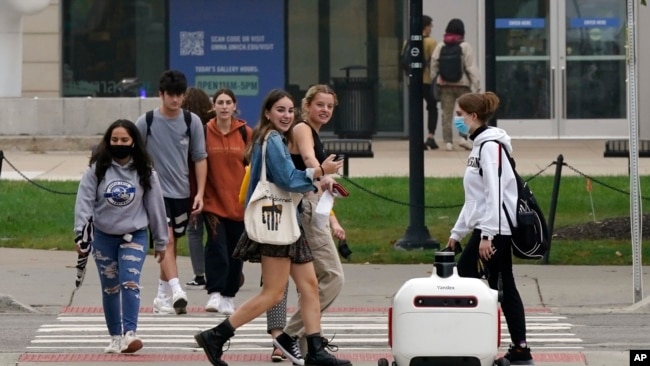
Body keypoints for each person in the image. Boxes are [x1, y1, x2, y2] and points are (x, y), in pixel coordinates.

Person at [194, 89, 350, 366]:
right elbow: (288, 179)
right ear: (267, 113)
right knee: (273, 293)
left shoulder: (273, 138)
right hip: (277, 222)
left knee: (311, 285)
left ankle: (315, 350)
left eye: (290, 111)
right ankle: (216, 335)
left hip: (288, 221)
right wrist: (320, 171)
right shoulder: (272, 139)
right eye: (280, 110)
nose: (287, 115)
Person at [445, 91, 533, 364]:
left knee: (495, 283)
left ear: (473, 116)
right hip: (488, 228)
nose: (456, 120)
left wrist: (487, 236)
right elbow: (476, 199)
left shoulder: (491, 147)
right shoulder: (479, 146)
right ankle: (513, 347)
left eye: (459, 115)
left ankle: (517, 349)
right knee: (490, 282)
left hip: (497, 231)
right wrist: (456, 233)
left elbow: (494, 195)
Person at [74, 119, 168, 354]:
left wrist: (160, 240)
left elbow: (156, 207)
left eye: (124, 140)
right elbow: (84, 204)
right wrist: (81, 236)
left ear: (133, 141)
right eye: (114, 140)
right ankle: (115, 337)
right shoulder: (97, 170)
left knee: (129, 282)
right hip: (103, 237)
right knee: (110, 288)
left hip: (134, 235)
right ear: (108, 142)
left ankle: (129, 334)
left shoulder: (145, 171)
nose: (119, 144)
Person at [268, 84, 347, 362]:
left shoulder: (313, 131)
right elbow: (309, 157)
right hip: (306, 209)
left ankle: (303, 344)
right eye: (320, 105)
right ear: (308, 105)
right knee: (333, 277)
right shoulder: (303, 129)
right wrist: (323, 173)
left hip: (312, 207)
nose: (325, 110)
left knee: (311, 283)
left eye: (329, 106)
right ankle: (289, 336)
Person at [135, 70, 208, 315]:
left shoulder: (192, 121)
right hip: (154, 192)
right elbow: (133, 155)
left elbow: (199, 158)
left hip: (182, 192)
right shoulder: (147, 121)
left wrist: (200, 193)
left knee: (171, 243)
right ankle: (177, 290)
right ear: (161, 94)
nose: (175, 100)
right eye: (170, 95)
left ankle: (161, 297)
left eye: (179, 95)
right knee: (164, 238)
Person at [202, 88, 252, 314]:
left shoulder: (245, 133)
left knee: (235, 252)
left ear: (234, 106)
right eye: (220, 102)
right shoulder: (204, 132)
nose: (224, 106)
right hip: (213, 202)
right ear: (213, 106)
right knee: (216, 247)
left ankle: (228, 296)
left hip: (239, 203)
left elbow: (253, 166)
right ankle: (214, 293)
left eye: (228, 102)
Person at [181, 87, 216, 289]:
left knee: (194, 232)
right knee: (215, 233)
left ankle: (199, 274)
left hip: (191, 186)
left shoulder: (186, 128)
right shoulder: (213, 128)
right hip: (213, 187)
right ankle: (218, 269)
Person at [430, 18, 480, 151]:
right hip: (463, 85)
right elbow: (471, 67)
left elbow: (434, 64)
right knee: (463, 113)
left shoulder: (441, 46)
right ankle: (463, 138)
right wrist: (477, 85)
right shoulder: (465, 46)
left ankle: (448, 142)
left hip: (445, 85)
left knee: (446, 114)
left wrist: (436, 79)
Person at [421, 15, 440, 150]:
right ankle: (430, 136)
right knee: (432, 107)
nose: (431, 28)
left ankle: (416, 137)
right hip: (427, 80)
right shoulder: (431, 42)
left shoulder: (408, 41)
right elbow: (435, 62)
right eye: (430, 25)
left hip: (412, 81)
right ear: (426, 26)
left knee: (416, 110)